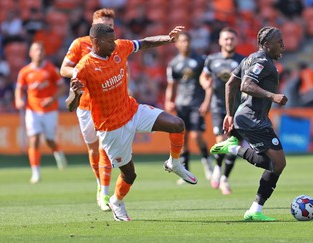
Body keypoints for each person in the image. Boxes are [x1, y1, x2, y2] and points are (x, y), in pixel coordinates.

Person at [66, 24, 197, 221]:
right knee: (130, 175)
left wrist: (167, 39)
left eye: (114, 39)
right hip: (111, 128)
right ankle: (117, 202)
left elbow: (143, 43)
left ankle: (174, 163)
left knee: (177, 124)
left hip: (133, 110)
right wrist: (75, 95)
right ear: (95, 42)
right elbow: (70, 106)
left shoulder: (119, 47)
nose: (114, 43)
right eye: (109, 41)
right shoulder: (83, 68)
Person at [210, 26, 288, 221]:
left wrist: (229, 114)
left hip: (250, 118)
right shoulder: (262, 61)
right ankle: (255, 209)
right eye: (279, 43)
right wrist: (273, 96)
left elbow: (231, 84)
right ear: (267, 44)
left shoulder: (248, 59)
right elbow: (245, 85)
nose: (283, 46)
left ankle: (255, 209)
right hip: (252, 119)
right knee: (278, 163)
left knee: (271, 163)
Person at [60, 8, 115, 212]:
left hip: (107, 105)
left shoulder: (115, 45)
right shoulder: (79, 44)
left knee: (104, 148)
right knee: (93, 149)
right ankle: (100, 184)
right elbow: (63, 69)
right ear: (93, 26)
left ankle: (105, 192)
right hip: (84, 106)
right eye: (102, 25)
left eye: (109, 26)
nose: (106, 29)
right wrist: (81, 73)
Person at [15, 41, 68, 184]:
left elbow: (62, 88)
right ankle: (36, 172)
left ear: (44, 53)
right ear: (31, 53)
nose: (39, 53)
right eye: (36, 50)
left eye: (41, 50)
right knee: (34, 139)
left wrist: (52, 99)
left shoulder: (51, 69)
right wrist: (19, 100)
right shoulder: (25, 71)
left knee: (50, 140)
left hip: (50, 111)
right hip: (32, 110)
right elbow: (19, 88)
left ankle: (57, 152)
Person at [199, 27, 245, 195]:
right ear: (220, 41)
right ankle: (218, 167)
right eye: (225, 39)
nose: (228, 41)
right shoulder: (211, 60)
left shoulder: (243, 61)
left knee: (234, 144)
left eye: (232, 39)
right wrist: (206, 85)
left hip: (238, 108)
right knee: (221, 140)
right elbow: (203, 76)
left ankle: (225, 178)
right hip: (218, 106)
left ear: (236, 41)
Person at [165, 32, 213, 184]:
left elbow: (208, 82)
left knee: (196, 136)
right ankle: (185, 172)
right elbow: (171, 86)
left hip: (196, 103)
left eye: (187, 40)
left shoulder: (200, 60)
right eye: (182, 41)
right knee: (183, 139)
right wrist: (168, 100)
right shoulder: (173, 63)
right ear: (177, 44)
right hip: (181, 104)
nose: (185, 43)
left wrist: (206, 101)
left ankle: (208, 164)